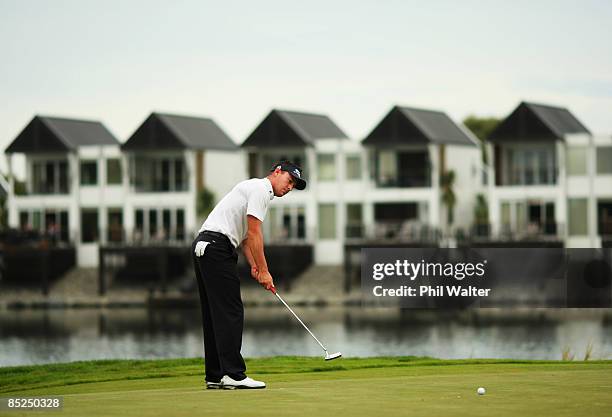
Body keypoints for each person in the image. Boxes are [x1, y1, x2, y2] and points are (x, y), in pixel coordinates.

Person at [192, 161, 306, 390]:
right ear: (276, 172)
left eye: (294, 184)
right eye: (289, 180)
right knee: (230, 311)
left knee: (214, 314)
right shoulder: (261, 190)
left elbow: (244, 239)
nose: (290, 186)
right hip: (216, 247)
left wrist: (254, 266)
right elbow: (255, 234)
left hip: (205, 246)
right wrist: (265, 271)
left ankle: (215, 375)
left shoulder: (253, 189)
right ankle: (233, 374)